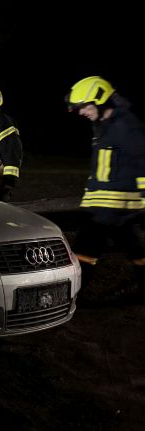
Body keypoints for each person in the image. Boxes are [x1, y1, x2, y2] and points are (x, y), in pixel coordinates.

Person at [65, 76, 145, 302]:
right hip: (108, 203)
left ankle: (73, 297)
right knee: (132, 247)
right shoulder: (105, 126)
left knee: (85, 247)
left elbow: (142, 161)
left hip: (111, 204)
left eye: (84, 106)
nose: (81, 112)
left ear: (101, 101)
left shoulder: (124, 126)